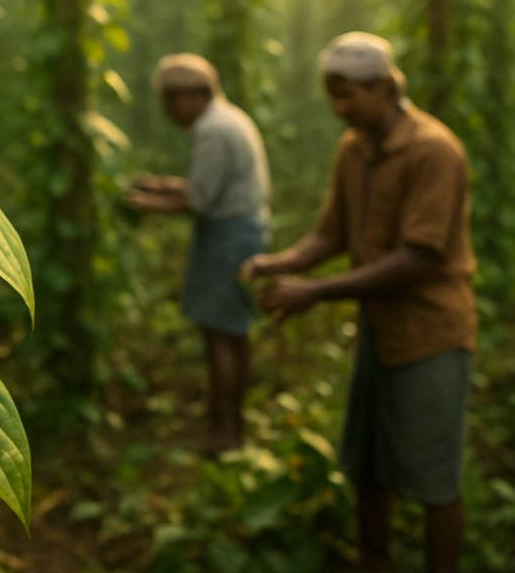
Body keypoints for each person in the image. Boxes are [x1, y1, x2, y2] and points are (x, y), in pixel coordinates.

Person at [239, 32, 476, 573]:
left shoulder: (434, 151)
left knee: (434, 476)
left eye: (348, 95)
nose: (338, 108)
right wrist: (281, 264)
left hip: (431, 334)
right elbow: (332, 236)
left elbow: (416, 258)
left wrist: (316, 293)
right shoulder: (354, 150)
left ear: (385, 87)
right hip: (379, 330)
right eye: (332, 95)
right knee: (370, 464)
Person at [125, 53, 270, 456]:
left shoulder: (213, 130)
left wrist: (146, 203)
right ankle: (229, 423)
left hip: (229, 237)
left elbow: (202, 201)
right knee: (232, 330)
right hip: (239, 230)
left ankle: (225, 432)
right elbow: (209, 185)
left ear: (197, 95)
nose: (170, 109)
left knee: (220, 332)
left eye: (174, 99)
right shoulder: (226, 120)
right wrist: (161, 186)